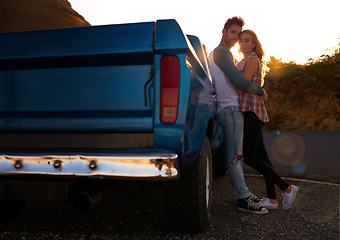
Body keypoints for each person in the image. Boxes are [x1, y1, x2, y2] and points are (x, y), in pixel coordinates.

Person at [208, 16, 268, 214]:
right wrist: (260, 90)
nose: (235, 37)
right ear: (224, 32)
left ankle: (244, 193)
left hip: (228, 108)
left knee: (236, 156)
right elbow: (237, 81)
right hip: (230, 109)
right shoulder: (221, 52)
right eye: (232, 32)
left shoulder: (219, 53)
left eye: (238, 34)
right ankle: (243, 199)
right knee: (235, 157)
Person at [236, 29, 299, 210]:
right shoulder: (243, 60)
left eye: (247, 41)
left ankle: (287, 189)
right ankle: (272, 199)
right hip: (251, 112)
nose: (243, 44)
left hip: (251, 112)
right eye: (241, 41)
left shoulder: (252, 59)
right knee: (262, 157)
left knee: (249, 158)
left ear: (254, 43)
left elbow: (242, 86)